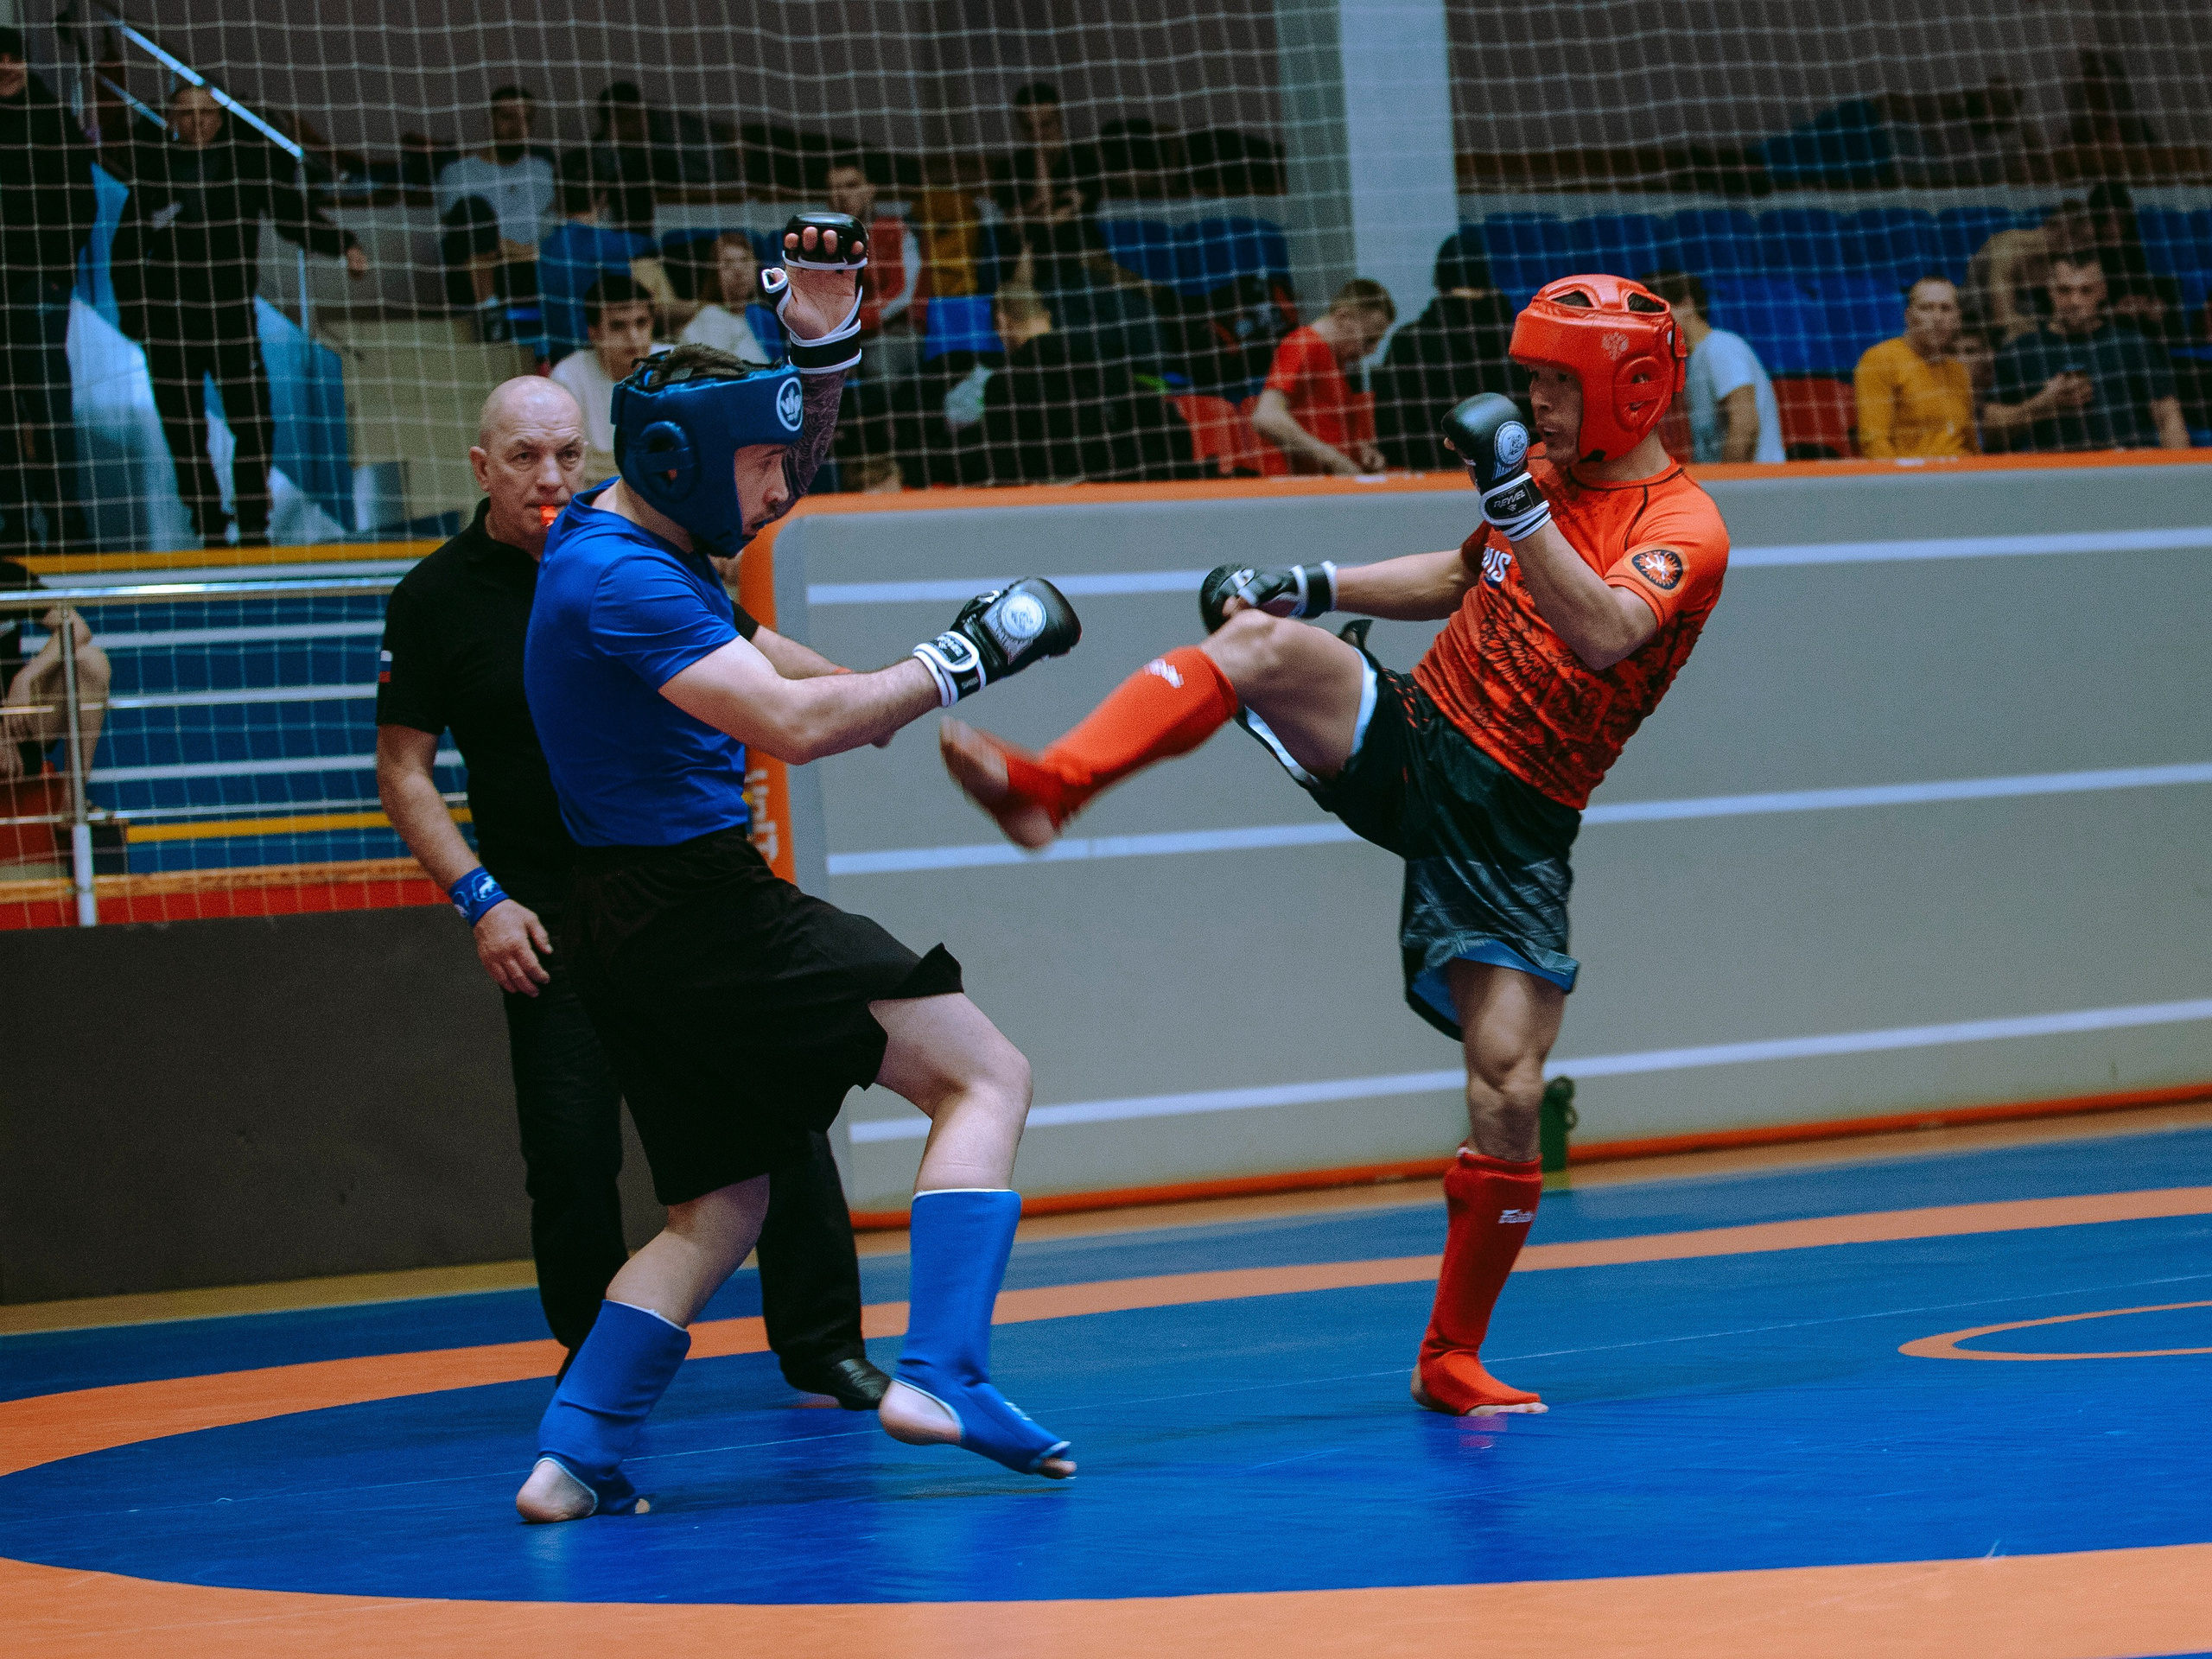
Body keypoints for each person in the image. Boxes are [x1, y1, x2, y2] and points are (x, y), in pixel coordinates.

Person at [938, 274, 1727, 1419]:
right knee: (1259, 643)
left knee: (1507, 1091)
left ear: (1634, 389)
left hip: (1514, 826)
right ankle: (1053, 786)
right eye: (1536, 382)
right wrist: (1308, 582)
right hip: (1422, 734)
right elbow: (1466, 576)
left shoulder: (1684, 528)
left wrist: (1517, 500)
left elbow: (1603, 633)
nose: (1541, 403)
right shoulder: (1544, 484)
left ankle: (1450, 1355)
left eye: (1562, 383)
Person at [514, 215, 1084, 1522]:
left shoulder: (635, 536)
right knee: (983, 1072)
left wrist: (822, 347)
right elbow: (793, 723)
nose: (780, 488)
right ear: (686, 465)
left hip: (627, 923)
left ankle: (573, 1453)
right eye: (762, 465)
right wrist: (970, 651)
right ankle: (940, 1369)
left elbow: (770, 588)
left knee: (719, 1205)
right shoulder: (624, 579)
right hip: (699, 910)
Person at [374, 374, 890, 1407]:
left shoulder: (631, 555)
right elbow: (403, 770)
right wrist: (483, 899)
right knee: (569, 1155)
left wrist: (858, 695)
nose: (551, 477)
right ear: (482, 469)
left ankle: (826, 1347)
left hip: (683, 897)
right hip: (548, 918)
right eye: (524, 458)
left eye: (568, 453)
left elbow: (744, 647)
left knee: (780, 1116)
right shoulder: (435, 599)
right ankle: (591, 1372)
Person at [110, 84, 370, 548]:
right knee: (183, 427)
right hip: (169, 324)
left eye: (206, 114)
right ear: (170, 119)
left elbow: (292, 215)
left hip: (230, 316)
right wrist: (137, 320)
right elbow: (126, 248)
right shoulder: (153, 172)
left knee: (252, 420)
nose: (197, 124)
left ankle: (253, 520)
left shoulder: (246, 166)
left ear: (221, 117)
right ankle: (207, 519)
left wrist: (343, 243)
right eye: (185, 115)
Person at [0, 29, 95, 555]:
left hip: (40, 277)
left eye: (12, 58)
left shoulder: (52, 117)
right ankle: (13, 520)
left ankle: (65, 517)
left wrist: (59, 266)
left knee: (46, 398)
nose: (5, 68)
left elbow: (81, 198)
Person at [981, 283, 1192, 484]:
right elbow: (1173, 432)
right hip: (1137, 496)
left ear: (1001, 322)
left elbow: (1004, 470)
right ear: (1047, 316)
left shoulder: (1004, 384)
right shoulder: (1106, 363)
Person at [1983, 255, 2189, 453]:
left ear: (2102, 291)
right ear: (2050, 291)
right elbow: (1990, 428)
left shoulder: (2131, 344)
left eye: (2086, 291)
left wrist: (2178, 478)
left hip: (2124, 468)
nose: (2075, 301)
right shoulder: (2021, 351)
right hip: (2051, 476)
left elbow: (2169, 418)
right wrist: (2043, 404)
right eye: (2064, 290)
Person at [1370, 232, 1520, 473]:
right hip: (1510, 476)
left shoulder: (1410, 341)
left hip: (1434, 483)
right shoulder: (1515, 339)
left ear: (1439, 277)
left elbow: (1391, 432)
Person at [434, 86, 556, 316]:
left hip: (533, 271)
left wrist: (524, 252)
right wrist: (509, 249)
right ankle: (489, 313)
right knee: (473, 209)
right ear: (490, 120)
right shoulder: (458, 172)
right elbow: (459, 237)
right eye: (508, 117)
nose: (517, 128)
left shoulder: (543, 171)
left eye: (526, 120)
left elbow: (555, 230)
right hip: (479, 275)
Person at [1251, 278, 1394, 475]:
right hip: (1307, 488)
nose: (1372, 350)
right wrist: (1335, 460)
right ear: (1343, 317)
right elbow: (1266, 417)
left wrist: (1360, 451)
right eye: (1369, 340)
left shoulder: (1335, 357)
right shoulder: (1303, 345)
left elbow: (1322, 423)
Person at [1640, 270, 1782, 465]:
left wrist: (1727, 486)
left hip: (1753, 489)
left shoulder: (1720, 347)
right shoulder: (1696, 361)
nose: (1652, 324)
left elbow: (1745, 423)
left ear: (1687, 304)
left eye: (1657, 313)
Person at [537, 156, 660, 365]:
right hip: (597, 355)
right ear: (603, 195)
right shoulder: (609, 245)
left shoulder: (547, 247)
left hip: (557, 353)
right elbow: (626, 304)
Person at [1, 556, 110, 785]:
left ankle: (73, 806)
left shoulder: (7, 573)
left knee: (92, 661)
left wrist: (25, 678)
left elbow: (76, 627)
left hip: (16, 715)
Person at [1853, 276, 1979, 459]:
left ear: (1957, 317)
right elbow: (1873, 442)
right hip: (1913, 480)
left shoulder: (1957, 371)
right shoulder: (1881, 359)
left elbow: (1970, 443)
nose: (1937, 318)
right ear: (1909, 316)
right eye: (1927, 308)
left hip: (1962, 476)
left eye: (1945, 308)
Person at [550, 273, 658, 480]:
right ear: (594, 333)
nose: (633, 336)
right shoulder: (568, 377)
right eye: (618, 326)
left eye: (641, 323)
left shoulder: (674, 365)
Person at [826, 160, 922, 379]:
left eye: (851, 186)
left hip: (895, 329)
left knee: (878, 369)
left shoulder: (895, 231)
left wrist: (854, 323)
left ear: (870, 190)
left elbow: (902, 293)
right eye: (834, 188)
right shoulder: (822, 242)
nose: (842, 194)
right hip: (841, 333)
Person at [678, 233, 779, 367]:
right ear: (715, 275)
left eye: (744, 260)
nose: (739, 270)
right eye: (727, 264)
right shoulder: (710, 318)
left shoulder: (764, 316)